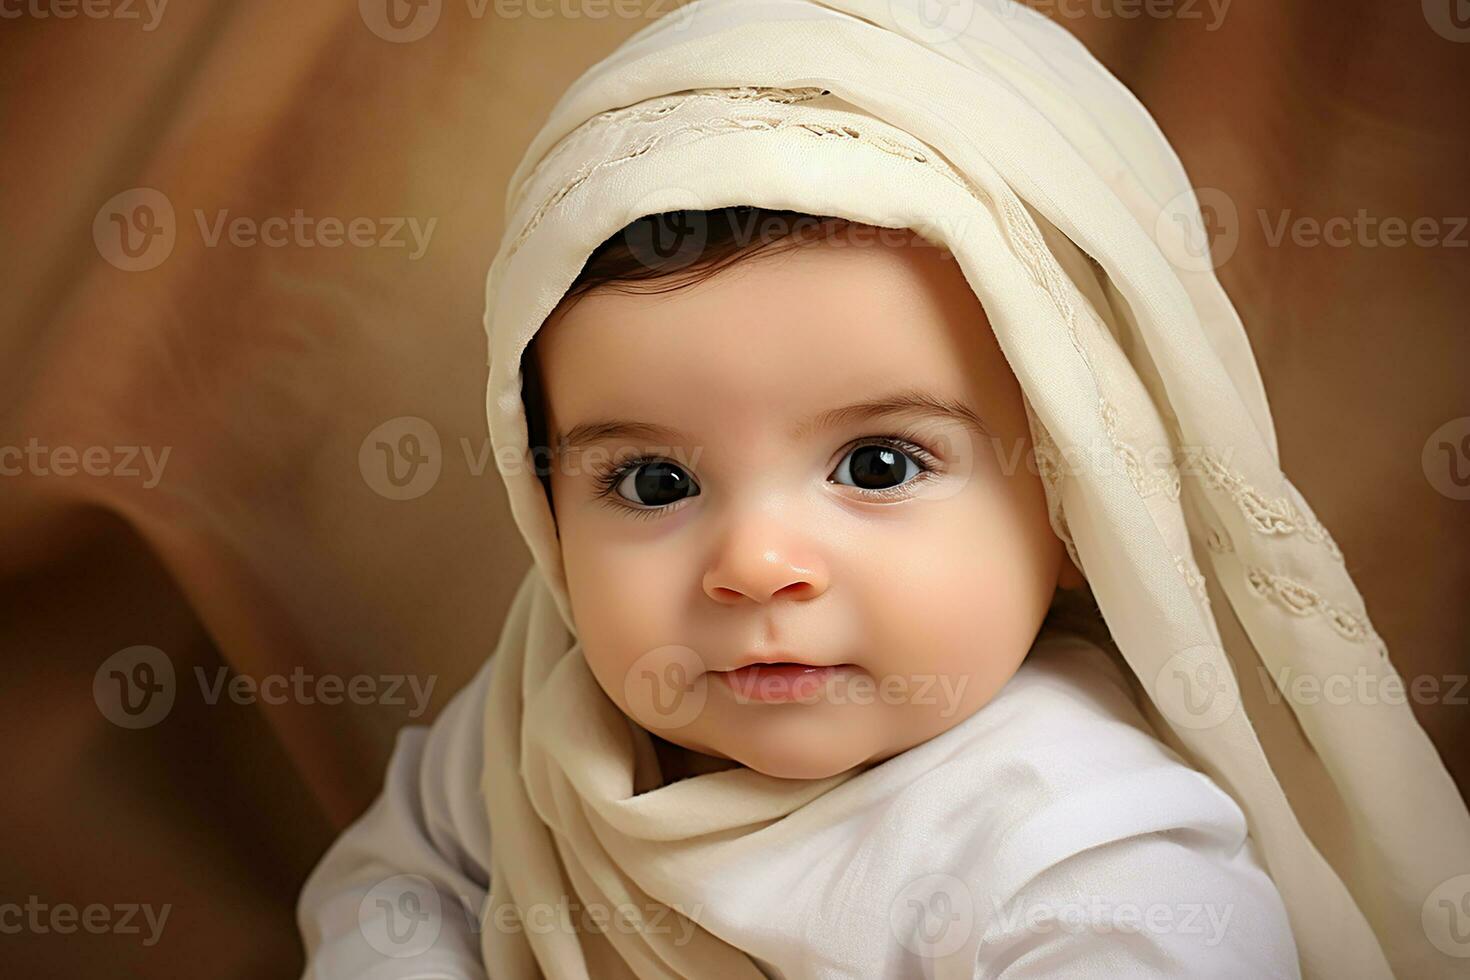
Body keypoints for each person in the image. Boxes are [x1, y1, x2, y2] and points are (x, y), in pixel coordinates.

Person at [297, 2, 1470, 977]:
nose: (756, 562)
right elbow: (398, 878)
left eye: (878, 465)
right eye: (652, 480)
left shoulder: (1090, 855)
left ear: (1073, 497)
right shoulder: (540, 725)